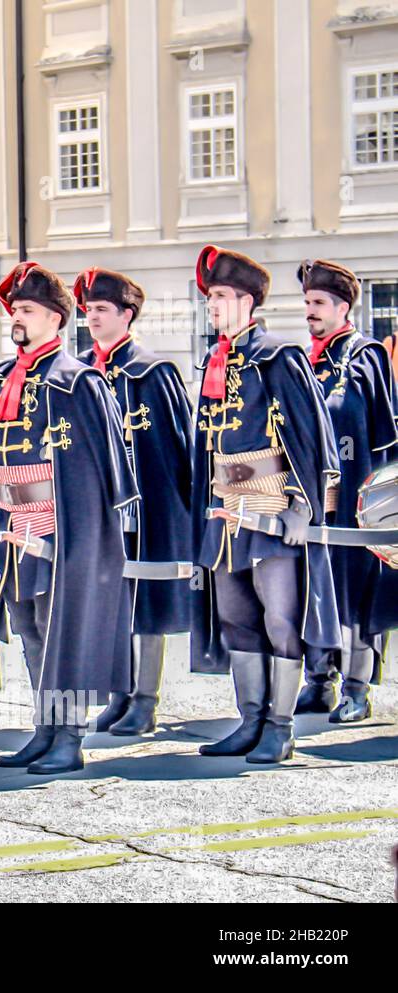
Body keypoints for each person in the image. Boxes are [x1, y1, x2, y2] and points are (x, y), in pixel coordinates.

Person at [0, 262, 138, 775]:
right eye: (14, 310)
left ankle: (70, 736)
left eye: (25, 310)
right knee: (30, 632)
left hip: (58, 529)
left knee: (61, 631)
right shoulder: (4, 377)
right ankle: (45, 728)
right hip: (11, 526)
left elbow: (110, 465)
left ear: (55, 319)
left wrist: (91, 538)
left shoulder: (77, 381)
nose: (15, 319)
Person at [191, 245, 341, 765]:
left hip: (272, 505)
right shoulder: (215, 360)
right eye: (209, 296)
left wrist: (303, 505)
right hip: (224, 510)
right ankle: (250, 718)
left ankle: (280, 726)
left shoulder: (280, 356)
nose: (212, 305)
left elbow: (310, 434)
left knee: (282, 619)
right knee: (236, 618)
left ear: (249, 301)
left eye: (222, 296)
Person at [74, 269, 194, 737]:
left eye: (102, 310)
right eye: (88, 310)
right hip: (95, 507)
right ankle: (119, 694)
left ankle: (145, 699)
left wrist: (177, 514)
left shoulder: (153, 370)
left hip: (145, 506)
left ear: (127, 315)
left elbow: (176, 448)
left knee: (144, 602)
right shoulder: (80, 368)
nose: (92, 318)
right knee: (109, 604)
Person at [296, 260, 398, 723]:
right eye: (306, 303)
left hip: (358, 499)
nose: (309, 312)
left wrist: (382, 504)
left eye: (318, 303)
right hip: (314, 499)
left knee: (358, 586)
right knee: (315, 584)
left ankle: (357, 686)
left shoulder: (367, 354)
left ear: (342, 306)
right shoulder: (304, 361)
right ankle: (320, 680)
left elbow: (385, 433)